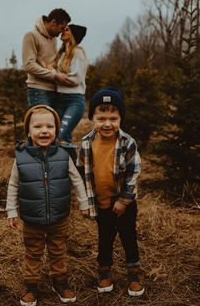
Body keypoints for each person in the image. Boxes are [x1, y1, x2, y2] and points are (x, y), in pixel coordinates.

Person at [6, 104, 89, 306]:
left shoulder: (63, 155)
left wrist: (84, 202)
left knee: (58, 250)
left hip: (59, 217)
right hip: (32, 218)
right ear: (28, 131)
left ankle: (59, 282)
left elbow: (76, 180)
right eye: (38, 127)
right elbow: (13, 185)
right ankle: (31, 286)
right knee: (33, 252)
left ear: (56, 130)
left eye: (50, 127)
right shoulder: (21, 157)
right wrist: (11, 210)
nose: (44, 131)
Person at [77, 86, 145, 297]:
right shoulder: (86, 143)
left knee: (128, 236)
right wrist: (85, 202)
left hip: (123, 204)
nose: (107, 123)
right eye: (101, 118)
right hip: (100, 203)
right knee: (104, 238)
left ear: (120, 119)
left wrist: (124, 200)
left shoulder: (127, 143)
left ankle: (134, 272)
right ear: (92, 118)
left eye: (113, 118)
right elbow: (81, 173)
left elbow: (134, 173)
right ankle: (104, 271)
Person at [22, 8, 76, 107]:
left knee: (55, 122)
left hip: (54, 90)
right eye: (61, 28)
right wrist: (54, 76)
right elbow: (28, 65)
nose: (62, 32)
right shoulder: (31, 36)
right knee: (42, 122)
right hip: (38, 91)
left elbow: (52, 63)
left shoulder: (53, 39)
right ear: (53, 22)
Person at [55, 24, 88, 147]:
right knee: (63, 138)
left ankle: (71, 165)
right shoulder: (62, 54)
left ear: (73, 35)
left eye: (67, 29)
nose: (63, 30)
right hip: (59, 100)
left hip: (73, 101)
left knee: (61, 135)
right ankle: (71, 165)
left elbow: (76, 79)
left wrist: (54, 74)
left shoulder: (78, 53)